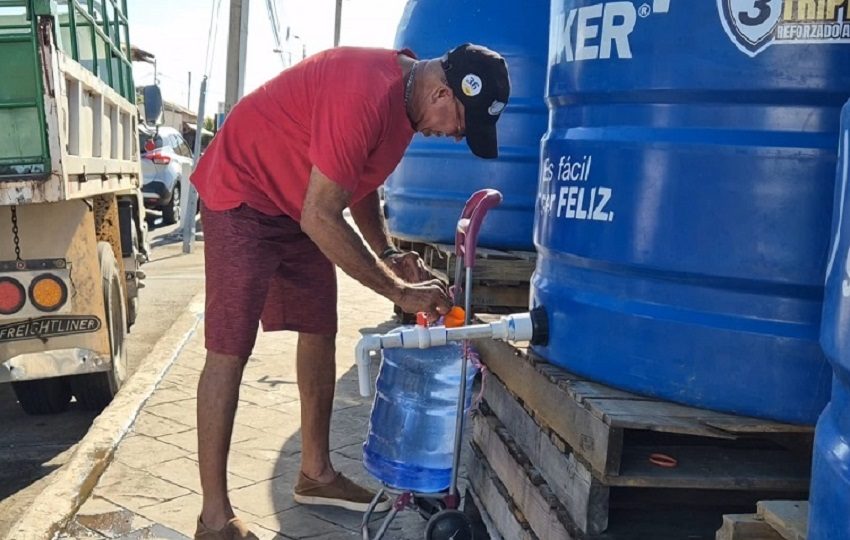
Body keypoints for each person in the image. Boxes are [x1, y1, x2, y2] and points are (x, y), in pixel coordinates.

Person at [189, 42, 511, 540]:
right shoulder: (363, 91)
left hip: (298, 204)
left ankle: (315, 474)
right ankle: (214, 518)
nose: (452, 136)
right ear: (443, 93)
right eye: (459, 126)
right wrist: (400, 292)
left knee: (320, 327)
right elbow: (322, 214)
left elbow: (357, 185)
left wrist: (387, 253)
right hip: (243, 192)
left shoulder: (407, 109)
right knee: (229, 347)